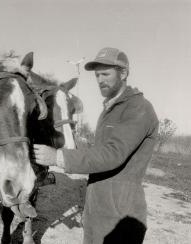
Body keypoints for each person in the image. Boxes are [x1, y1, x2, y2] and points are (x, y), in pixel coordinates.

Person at [33, 47, 158, 244]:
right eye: (97, 75)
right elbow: (98, 152)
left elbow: (112, 154)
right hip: (98, 211)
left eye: (106, 74)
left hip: (120, 216)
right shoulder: (111, 109)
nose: (100, 80)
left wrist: (58, 157)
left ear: (123, 73)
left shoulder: (138, 108)